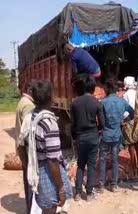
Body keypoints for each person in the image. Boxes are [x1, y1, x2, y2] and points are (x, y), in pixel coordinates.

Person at [27, 80, 72, 214]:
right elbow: (53, 160)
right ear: (50, 97)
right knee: (51, 206)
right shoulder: (49, 123)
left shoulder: (32, 116)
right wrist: (61, 189)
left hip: (38, 167)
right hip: (47, 170)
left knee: (46, 208)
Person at [71, 75, 105, 201]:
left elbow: (73, 124)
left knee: (80, 164)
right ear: (93, 88)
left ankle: (78, 193)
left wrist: (75, 137)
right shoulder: (97, 103)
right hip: (93, 136)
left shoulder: (75, 103)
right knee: (91, 165)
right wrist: (99, 131)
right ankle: (89, 193)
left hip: (80, 137)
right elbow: (102, 123)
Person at [98, 80, 134, 193]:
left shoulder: (103, 102)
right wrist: (124, 121)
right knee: (115, 159)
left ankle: (101, 185)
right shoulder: (122, 102)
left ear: (107, 90)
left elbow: (100, 120)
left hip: (105, 135)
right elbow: (132, 113)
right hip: (117, 135)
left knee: (103, 158)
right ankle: (114, 184)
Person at [15, 80, 36, 214]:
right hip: (28, 150)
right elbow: (28, 132)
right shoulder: (29, 105)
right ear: (31, 91)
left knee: (28, 181)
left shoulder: (23, 101)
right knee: (31, 182)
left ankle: (30, 208)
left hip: (22, 148)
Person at [122, 76, 138, 180]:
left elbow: (125, 111)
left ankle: (133, 171)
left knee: (131, 147)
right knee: (137, 145)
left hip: (129, 121)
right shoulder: (137, 93)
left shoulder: (125, 95)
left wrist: (122, 120)